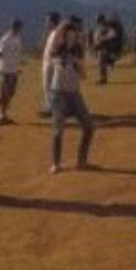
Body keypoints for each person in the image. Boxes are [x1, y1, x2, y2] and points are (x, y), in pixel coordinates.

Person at [48, 19, 95, 173]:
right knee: (58, 130)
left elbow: (84, 76)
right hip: (58, 92)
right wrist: (63, 59)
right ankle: (56, 164)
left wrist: (78, 63)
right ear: (62, 36)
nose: (70, 40)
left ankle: (81, 161)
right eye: (67, 36)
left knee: (89, 127)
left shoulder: (78, 52)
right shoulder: (56, 51)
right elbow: (55, 63)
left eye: (73, 37)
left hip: (74, 93)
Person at [0, 19, 24, 125]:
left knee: (9, 94)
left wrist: (17, 67)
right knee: (3, 94)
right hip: (4, 70)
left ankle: (1, 115)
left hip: (13, 70)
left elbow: (16, 55)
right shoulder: (5, 39)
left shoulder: (18, 39)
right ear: (16, 27)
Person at [40, 11, 62, 117]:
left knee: (49, 86)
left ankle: (51, 108)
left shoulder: (57, 33)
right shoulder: (53, 32)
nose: (46, 23)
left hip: (51, 64)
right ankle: (51, 107)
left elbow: (56, 50)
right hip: (49, 62)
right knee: (48, 86)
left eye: (47, 20)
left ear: (53, 22)